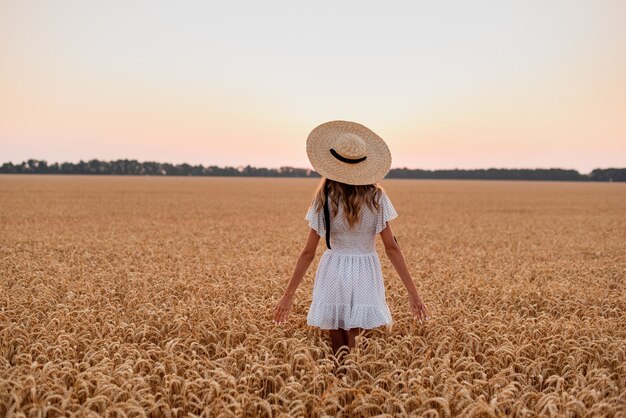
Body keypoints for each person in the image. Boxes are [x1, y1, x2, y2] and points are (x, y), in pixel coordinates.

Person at [273, 120, 430, 357]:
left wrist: (288, 295)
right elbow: (392, 249)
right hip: (366, 270)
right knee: (357, 344)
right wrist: (413, 292)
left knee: (338, 346)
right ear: (365, 165)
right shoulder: (377, 198)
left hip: (333, 268)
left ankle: (338, 383)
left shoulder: (324, 198)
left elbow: (308, 252)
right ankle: (353, 386)